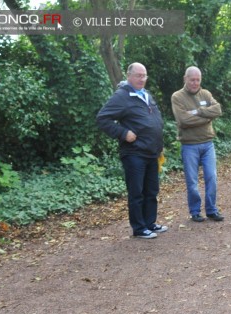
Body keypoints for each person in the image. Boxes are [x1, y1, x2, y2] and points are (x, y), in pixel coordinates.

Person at [96, 62, 168, 239]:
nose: (142, 79)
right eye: (138, 75)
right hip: (134, 153)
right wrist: (122, 132)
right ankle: (139, 228)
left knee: (151, 190)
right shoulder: (122, 96)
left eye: (144, 76)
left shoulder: (146, 94)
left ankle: (149, 223)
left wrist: (159, 144)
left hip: (152, 152)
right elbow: (102, 118)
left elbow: (154, 120)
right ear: (129, 76)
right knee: (137, 192)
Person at [170, 66, 224, 222]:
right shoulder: (177, 97)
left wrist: (198, 111)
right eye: (192, 79)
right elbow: (183, 120)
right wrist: (207, 116)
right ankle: (195, 211)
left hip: (208, 143)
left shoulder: (205, 94)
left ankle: (212, 210)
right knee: (192, 181)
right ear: (185, 79)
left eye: (198, 80)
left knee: (211, 177)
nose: (195, 83)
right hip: (189, 145)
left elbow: (218, 109)